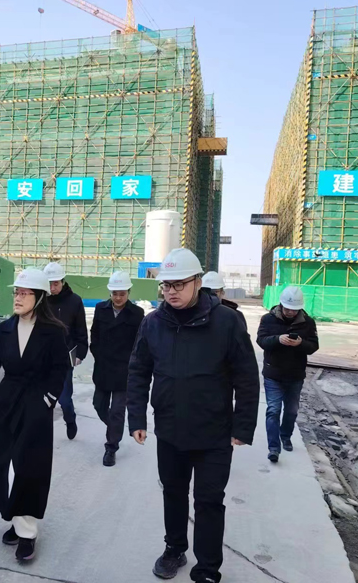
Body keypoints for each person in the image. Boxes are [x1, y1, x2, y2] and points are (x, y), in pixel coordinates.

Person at [127, 248, 259, 583]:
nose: (170, 291)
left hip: (214, 433)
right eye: (166, 285)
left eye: (179, 284)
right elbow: (139, 371)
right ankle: (174, 548)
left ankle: (208, 568)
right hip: (169, 430)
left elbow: (246, 376)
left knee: (209, 501)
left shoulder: (226, 322)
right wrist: (137, 418)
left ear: (198, 282)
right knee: (173, 493)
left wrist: (243, 425)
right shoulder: (153, 323)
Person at [0, 268, 68, 562]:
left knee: (29, 467)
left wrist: (48, 400)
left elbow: (60, 370)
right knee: (1, 465)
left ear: (40, 297)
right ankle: (14, 516)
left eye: (24, 293)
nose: (18, 298)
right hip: (6, 403)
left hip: (36, 405)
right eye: (16, 292)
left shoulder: (53, 331)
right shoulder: (4, 330)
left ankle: (27, 533)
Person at [256, 285, 319, 464]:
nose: (290, 312)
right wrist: (278, 339)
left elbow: (314, 346)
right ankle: (273, 448)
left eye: (294, 309)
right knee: (273, 410)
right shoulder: (268, 319)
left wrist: (300, 344)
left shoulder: (308, 323)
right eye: (287, 308)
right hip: (273, 373)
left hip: (295, 375)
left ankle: (285, 436)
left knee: (291, 411)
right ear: (281, 304)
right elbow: (261, 340)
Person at [90, 271, 144, 467]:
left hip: (124, 371)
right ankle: (114, 428)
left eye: (122, 294)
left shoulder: (137, 314)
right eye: (115, 293)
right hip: (103, 368)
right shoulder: (100, 309)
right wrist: (97, 353)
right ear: (110, 293)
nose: (118, 298)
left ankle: (111, 447)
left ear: (129, 292)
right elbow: (94, 334)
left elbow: (140, 342)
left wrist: (133, 363)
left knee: (117, 412)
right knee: (99, 405)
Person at [44, 262, 88, 440]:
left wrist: (80, 354)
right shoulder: (41, 300)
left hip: (64, 359)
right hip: (42, 357)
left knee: (64, 399)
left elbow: (81, 331)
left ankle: (70, 419)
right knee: (43, 400)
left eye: (56, 283)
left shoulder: (75, 301)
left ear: (63, 282)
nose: (52, 288)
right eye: (49, 284)